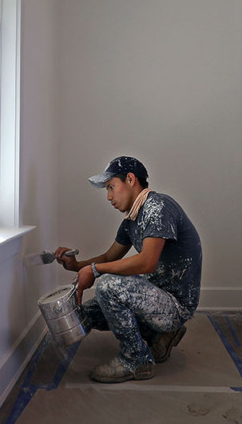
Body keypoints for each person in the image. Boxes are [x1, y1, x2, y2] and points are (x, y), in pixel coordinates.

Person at [55, 156, 202, 383]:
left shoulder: (158, 207)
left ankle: (136, 360)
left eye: (111, 187)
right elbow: (108, 257)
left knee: (108, 286)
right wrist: (77, 265)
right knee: (89, 313)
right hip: (154, 297)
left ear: (131, 180)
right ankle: (160, 334)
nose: (109, 197)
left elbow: (146, 263)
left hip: (175, 305)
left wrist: (94, 271)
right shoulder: (132, 220)